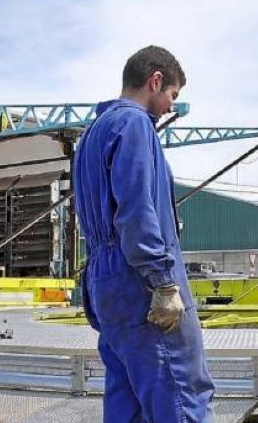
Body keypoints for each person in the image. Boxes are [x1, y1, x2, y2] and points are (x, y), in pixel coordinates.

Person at [74, 46, 214, 423]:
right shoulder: (134, 126)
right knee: (180, 391)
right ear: (155, 80)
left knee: (127, 400)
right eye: (172, 95)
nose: (170, 106)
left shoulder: (90, 135)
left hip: (106, 284)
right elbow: (137, 211)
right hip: (140, 280)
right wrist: (163, 283)